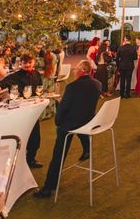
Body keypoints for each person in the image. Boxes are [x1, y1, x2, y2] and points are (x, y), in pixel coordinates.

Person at [34, 60, 102, 198]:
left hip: (73, 124)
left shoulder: (72, 87)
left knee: (58, 151)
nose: (74, 71)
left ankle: (48, 187)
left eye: (76, 69)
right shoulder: (97, 84)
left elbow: (63, 110)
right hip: (88, 122)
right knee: (74, 120)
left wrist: (58, 123)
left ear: (82, 70)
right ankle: (87, 149)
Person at [0, 54, 44, 167]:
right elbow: (1, 83)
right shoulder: (14, 76)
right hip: (19, 111)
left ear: (33, 62)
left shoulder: (36, 74)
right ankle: (16, 160)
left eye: (29, 62)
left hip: (33, 110)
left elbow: (40, 87)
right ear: (20, 63)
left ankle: (30, 159)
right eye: (24, 63)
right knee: (19, 136)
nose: (27, 65)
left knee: (35, 137)